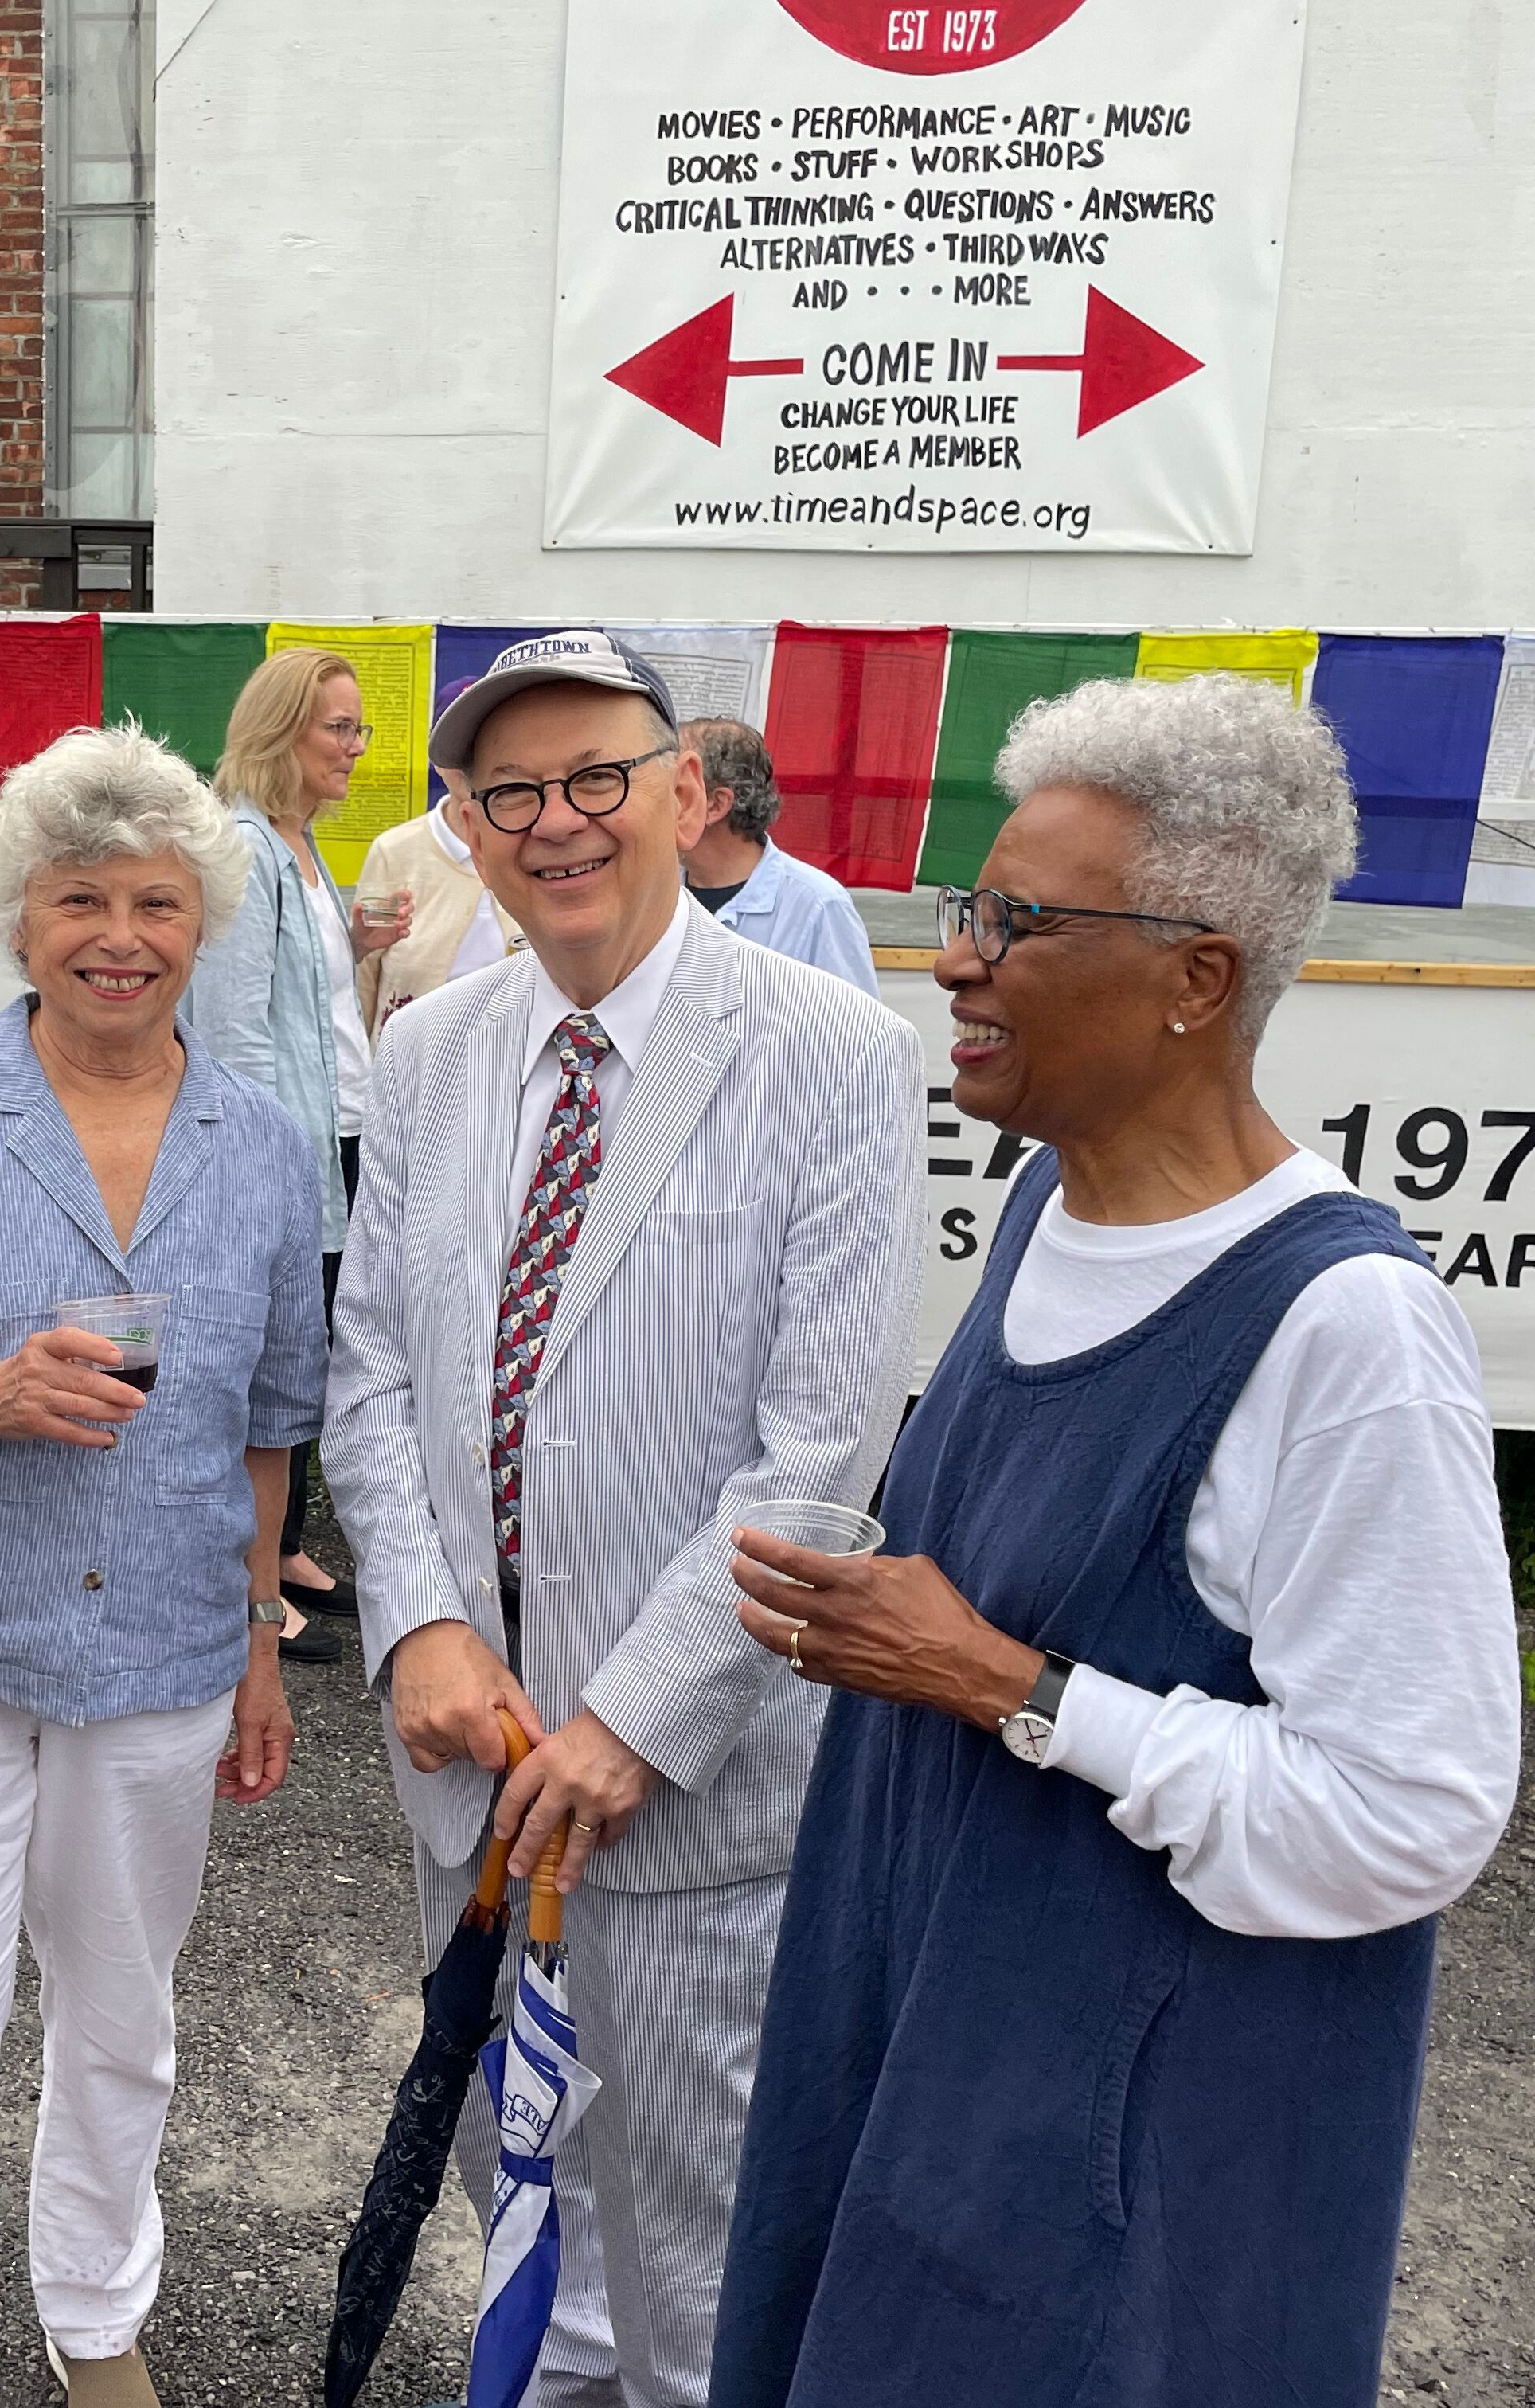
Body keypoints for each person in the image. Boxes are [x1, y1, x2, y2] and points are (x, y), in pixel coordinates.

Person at [709, 676, 1521, 2408]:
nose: (953, 961)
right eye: (965, 911)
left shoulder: (1346, 1330)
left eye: (1015, 922)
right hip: (934, 2034)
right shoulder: (1046, 1206)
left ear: (1197, 979)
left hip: (1119, 2144)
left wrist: (1007, 1683)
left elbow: (1414, 1814)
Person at [321, 627, 924, 2407]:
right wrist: (421, 1622)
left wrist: (632, 1722)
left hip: (686, 1796)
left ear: (683, 789)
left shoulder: (834, 1058)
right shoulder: (432, 1054)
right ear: (467, 824)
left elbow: (818, 1458)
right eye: (512, 791)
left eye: (598, 778)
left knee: (702, 2270)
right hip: (474, 1760)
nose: (558, 822)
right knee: (524, 2216)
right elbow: (370, 1385)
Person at [0, 723, 320, 2408]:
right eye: (80, 897)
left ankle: (95, 2316)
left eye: (158, 902)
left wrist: (258, 1639)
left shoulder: (258, 1143)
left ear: (203, 924)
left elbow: (269, 1417)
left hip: (162, 1657)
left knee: (123, 2028)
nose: (120, 934)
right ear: (17, 919)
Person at [185, 645, 406, 1656]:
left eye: (359, 727)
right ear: (284, 730)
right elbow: (234, 1034)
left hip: (338, 1132)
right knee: (273, 1364)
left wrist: (353, 949)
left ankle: (282, 1552)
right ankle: (249, 1584)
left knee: (306, 1357)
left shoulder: (299, 843)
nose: (357, 747)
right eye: (341, 727)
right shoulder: (241, 844)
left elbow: (297, 999)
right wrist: (265, 1179)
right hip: (289, 1157)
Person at [352, 674, 515, 1038]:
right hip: (414, 1069)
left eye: (482, 744)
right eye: (454, 746)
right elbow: (364, 974)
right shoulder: (393, 852)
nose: (468, 761)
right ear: (434, 755)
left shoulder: (531, 844)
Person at [677, 717, 879, 999]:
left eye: (673, 788)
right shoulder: (649, 892)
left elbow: (857, 1033)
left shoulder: (819, 906)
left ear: (715, 804)